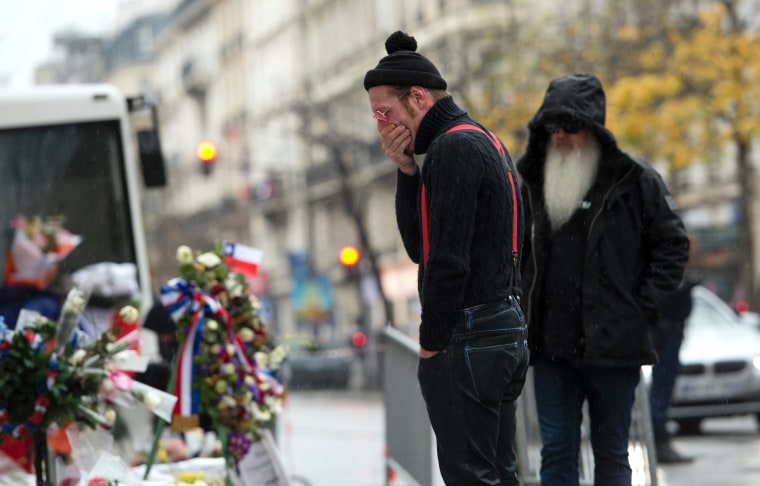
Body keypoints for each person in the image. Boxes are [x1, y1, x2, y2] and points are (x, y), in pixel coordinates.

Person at [364, 31, 529, 485]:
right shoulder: (482, 139)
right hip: (503, 323)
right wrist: (406, 172)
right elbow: (426, 244)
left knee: (469, 476)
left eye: (385, 112)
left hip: (471, 331)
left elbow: (442, 258)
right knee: (498, 472)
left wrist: (431, 342)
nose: (381, 126)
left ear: (417, 97)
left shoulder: (452, 149)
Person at [516, 73, 689, 485]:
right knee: (557, 450)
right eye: (553, 126)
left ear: (593, 129)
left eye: (571, 126)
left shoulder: (635, 180)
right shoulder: (531, 182)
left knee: (612, 452)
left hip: (614, 347)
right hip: (551, 349)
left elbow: (673, 246)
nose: (561, 135)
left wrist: (641, 308)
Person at [649, 275, 698, 464]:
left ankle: (661, 441)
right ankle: (660, 442)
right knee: (660, 393)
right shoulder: (665, 270)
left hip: (668, 334)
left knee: (661, 392)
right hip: (666, 335)